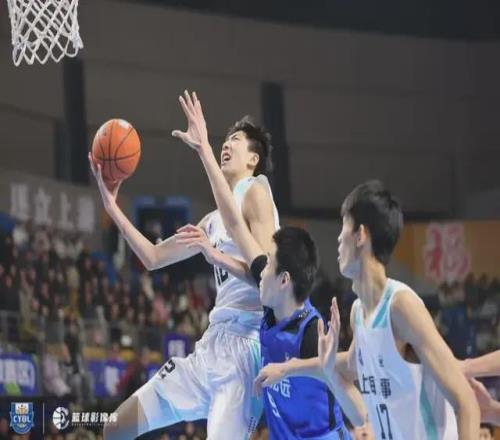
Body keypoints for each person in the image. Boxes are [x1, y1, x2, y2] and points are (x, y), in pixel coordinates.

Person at [173, 90, 365, 438]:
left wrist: (297, 369)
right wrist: (215, 255)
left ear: (284, 279)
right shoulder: (264, 324)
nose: (259, 274)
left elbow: (358, 409)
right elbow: (236, 228)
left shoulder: (309, 329)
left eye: (267, 267)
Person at [90, 100, 279, 439]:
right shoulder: (211, 222)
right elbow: (153, 257)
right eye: (225, 140)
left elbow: (267, 278)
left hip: (245, 350)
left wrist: (203, 147)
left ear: (254, 159)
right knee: (115, 427)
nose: (227, 144)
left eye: (236, 140)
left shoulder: (256, 192)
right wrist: (112, 207)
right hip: (211, 346)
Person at [246, 180, 481, 439]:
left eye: (344, 227)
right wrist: (290, 368)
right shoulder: (359, 312)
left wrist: (292, 368)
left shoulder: (401, 306)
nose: (338, 239)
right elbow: (351, 376)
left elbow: (466, 402)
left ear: (361, 235)